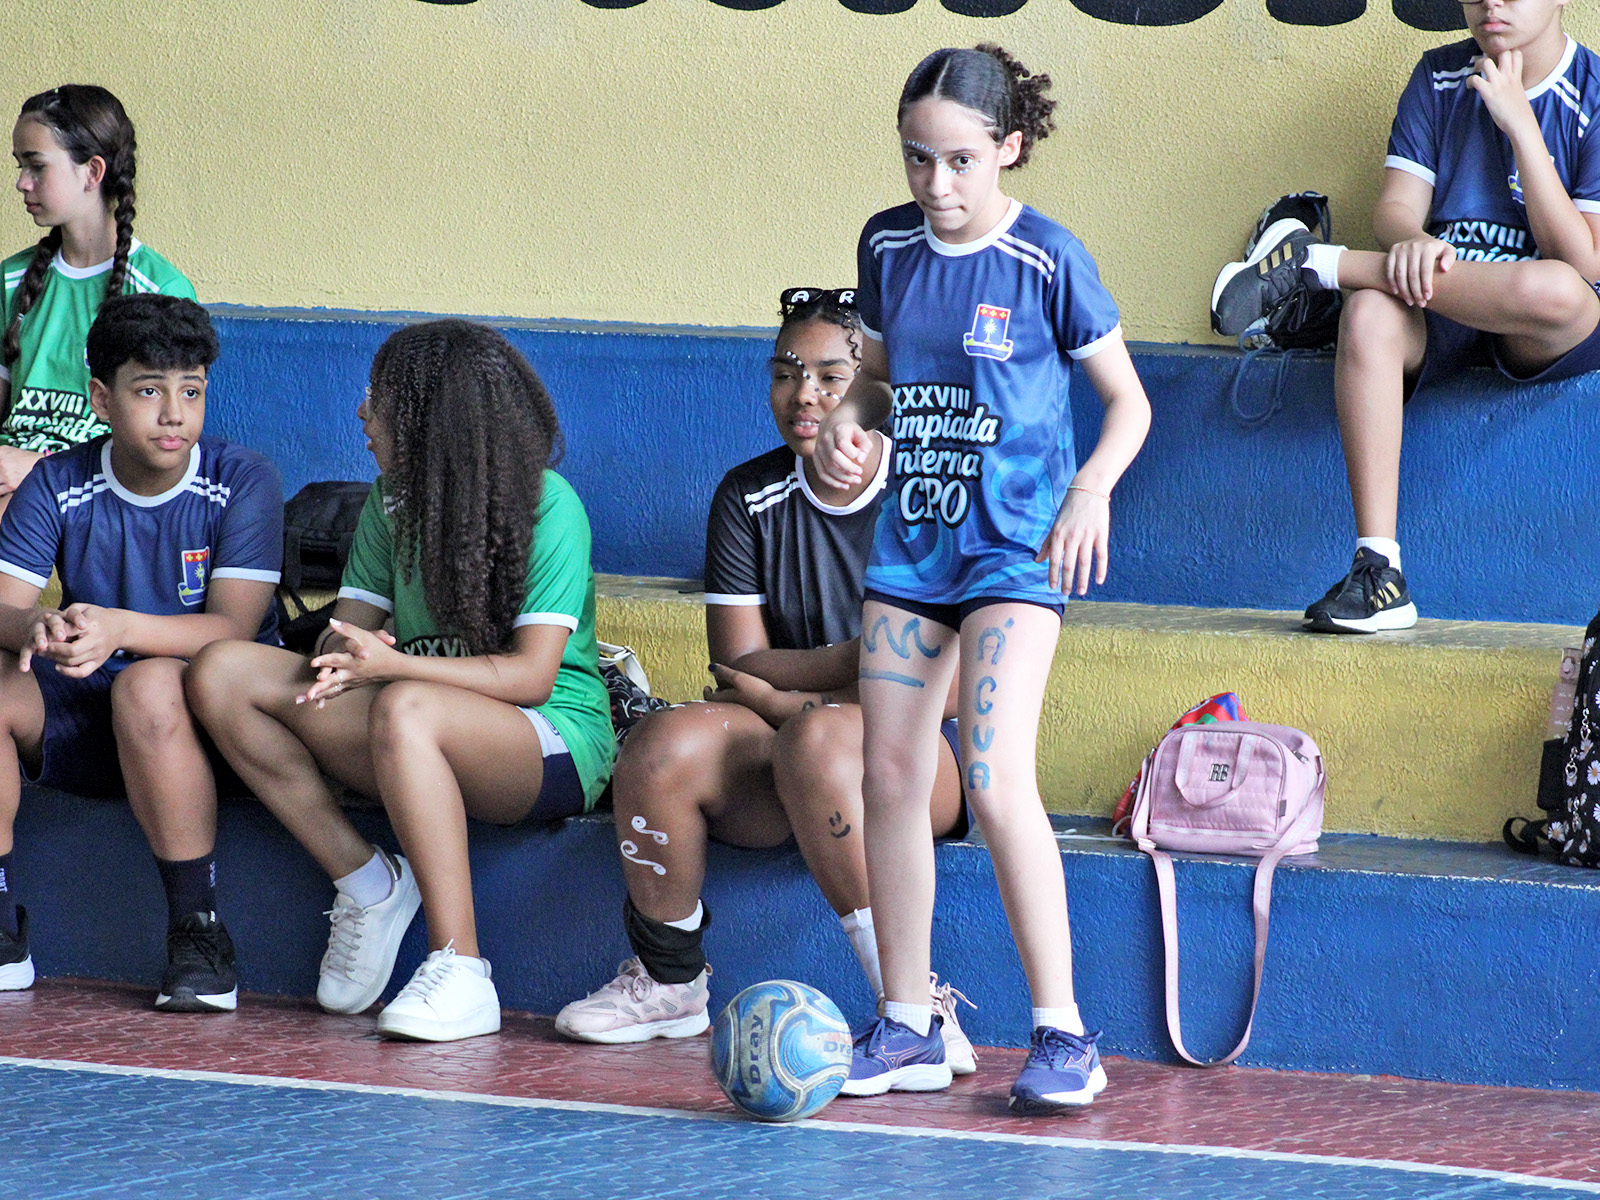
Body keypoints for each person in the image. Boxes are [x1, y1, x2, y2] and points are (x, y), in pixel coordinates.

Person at [814, 45, 1151, 1113]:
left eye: (959, 160)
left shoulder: (1049, 258)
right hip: (913, 545)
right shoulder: (886, 244)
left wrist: (1090, 490)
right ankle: (907, 1021)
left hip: (1015, 551)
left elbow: (1129, 403)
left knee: (998, 780)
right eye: (917, 158)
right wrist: (850, 427)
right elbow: (875, 379)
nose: (937, 183)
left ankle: (1065, 1033)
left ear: (1007, 147)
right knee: (888, 779)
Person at [555, 289, 977, 1070]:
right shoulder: (747, 496)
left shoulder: (925, 489)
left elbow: (948, 686)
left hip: (915, 757)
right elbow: (737, 667)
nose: (804, 394)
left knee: (818, 739)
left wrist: (793, 697)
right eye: (785, 373)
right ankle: (670, 979)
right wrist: (864, 658)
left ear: (874, 385)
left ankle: (913, 1008)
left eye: (830, 376)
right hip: (785, 743)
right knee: (659, 744)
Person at [186, 319, 614, 1043]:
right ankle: (367, 882)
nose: (362, 411)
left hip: (549, 744)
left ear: (428, 415)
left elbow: (532, 676)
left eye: (379, 396)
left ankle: (462, 968)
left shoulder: (547, 504)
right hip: (412, 723)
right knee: (222, 671)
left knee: (407, 706)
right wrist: (342, 651)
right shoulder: (392, 501)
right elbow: (347, 629)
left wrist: (393, 667)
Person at [1212, 0, 1600, 633]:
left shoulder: (1593, 92)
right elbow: (1395, 211)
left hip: (1539, 325)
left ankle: (1325, 266)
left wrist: (1522, 128)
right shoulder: (1439, 75)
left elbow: (1583, 263)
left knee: (1556, 287)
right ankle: (1379, 574)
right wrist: (1410, 241)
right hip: (1435, 303)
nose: (1490, 2)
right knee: (1367, 313)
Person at [0, 293, 283, 1009]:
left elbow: (232, 628)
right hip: (95, 708)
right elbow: (3, 605)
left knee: (149, 684)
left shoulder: (240, 479)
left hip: (212, 727)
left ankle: (199, 934)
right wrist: (34, 627)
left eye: (192, 391)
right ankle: (1, 930)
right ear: (101, 398)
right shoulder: (59, 481)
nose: (173, 414)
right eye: (149, 391)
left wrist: (120, 629)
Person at [4, 86, 194, 513]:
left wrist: (39, 466)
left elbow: (164, 445)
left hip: (99, 492)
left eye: (37, 166)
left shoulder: (159, 291)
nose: (21, 183)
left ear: (92, 172)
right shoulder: (11, 280)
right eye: (20, 166)